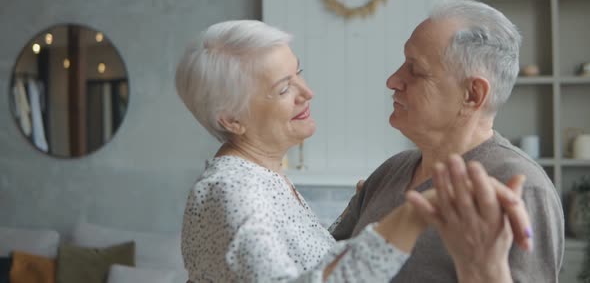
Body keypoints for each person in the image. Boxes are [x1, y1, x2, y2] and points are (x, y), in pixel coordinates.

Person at [175, 20, 532, 282]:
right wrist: (411, 216)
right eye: (284, 88)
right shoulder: (233, 190)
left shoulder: (266, 178)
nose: (307, 92)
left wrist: (360, 212)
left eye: (299, 73)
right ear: (232, 119)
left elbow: (309, 265)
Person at [330, 0, 564, 282]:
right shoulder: (390, 172)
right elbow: (325, 263)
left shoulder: (521, 188)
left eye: (415, 70)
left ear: (472, 95)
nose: (393, 80)